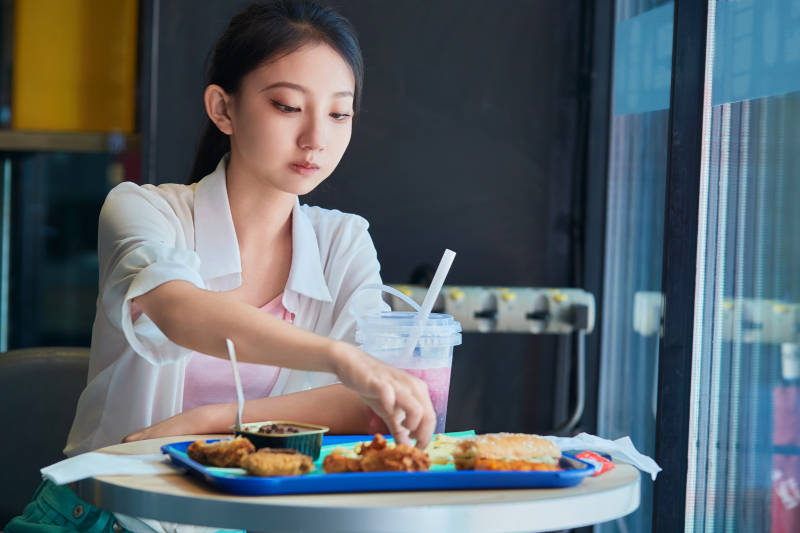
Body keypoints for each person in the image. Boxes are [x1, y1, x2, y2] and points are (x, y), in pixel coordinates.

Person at [6, 2, 434, 532]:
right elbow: (180, 310)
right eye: (286, 106)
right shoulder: (142, 208)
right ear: (223, 109)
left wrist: (209, 424)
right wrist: (343, 358)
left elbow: (364, 403)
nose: (316, 138)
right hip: (102, 517)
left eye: (338, 113)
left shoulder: (343, 240)